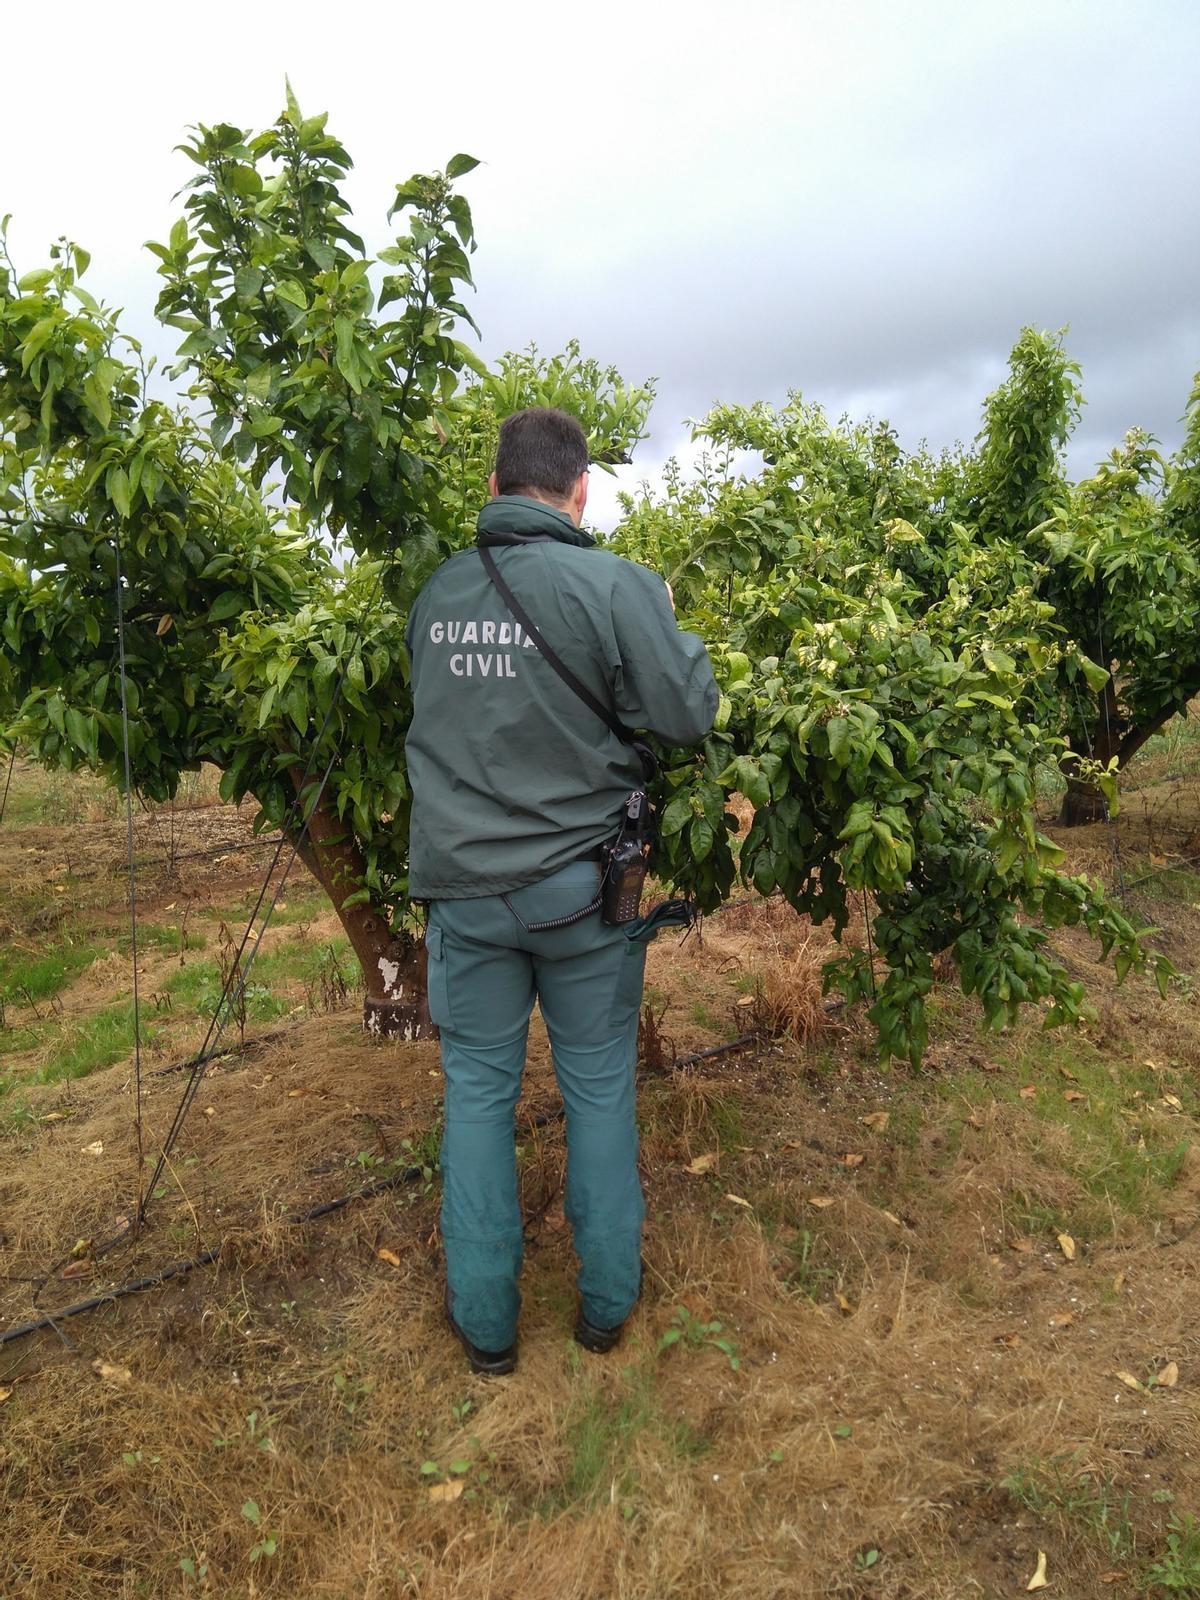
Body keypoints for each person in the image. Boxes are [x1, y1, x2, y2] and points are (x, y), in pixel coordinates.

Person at [405, 406, 718, 1374]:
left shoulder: (437, 596)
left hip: (467, 895)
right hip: (584, 899)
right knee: (596, 1092)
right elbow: (690, 713)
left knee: (479, 1098)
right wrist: (660, 614)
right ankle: (605, 1310)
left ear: (494, 488)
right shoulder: (616, 587)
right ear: (581, 492)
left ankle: (488, 1329)